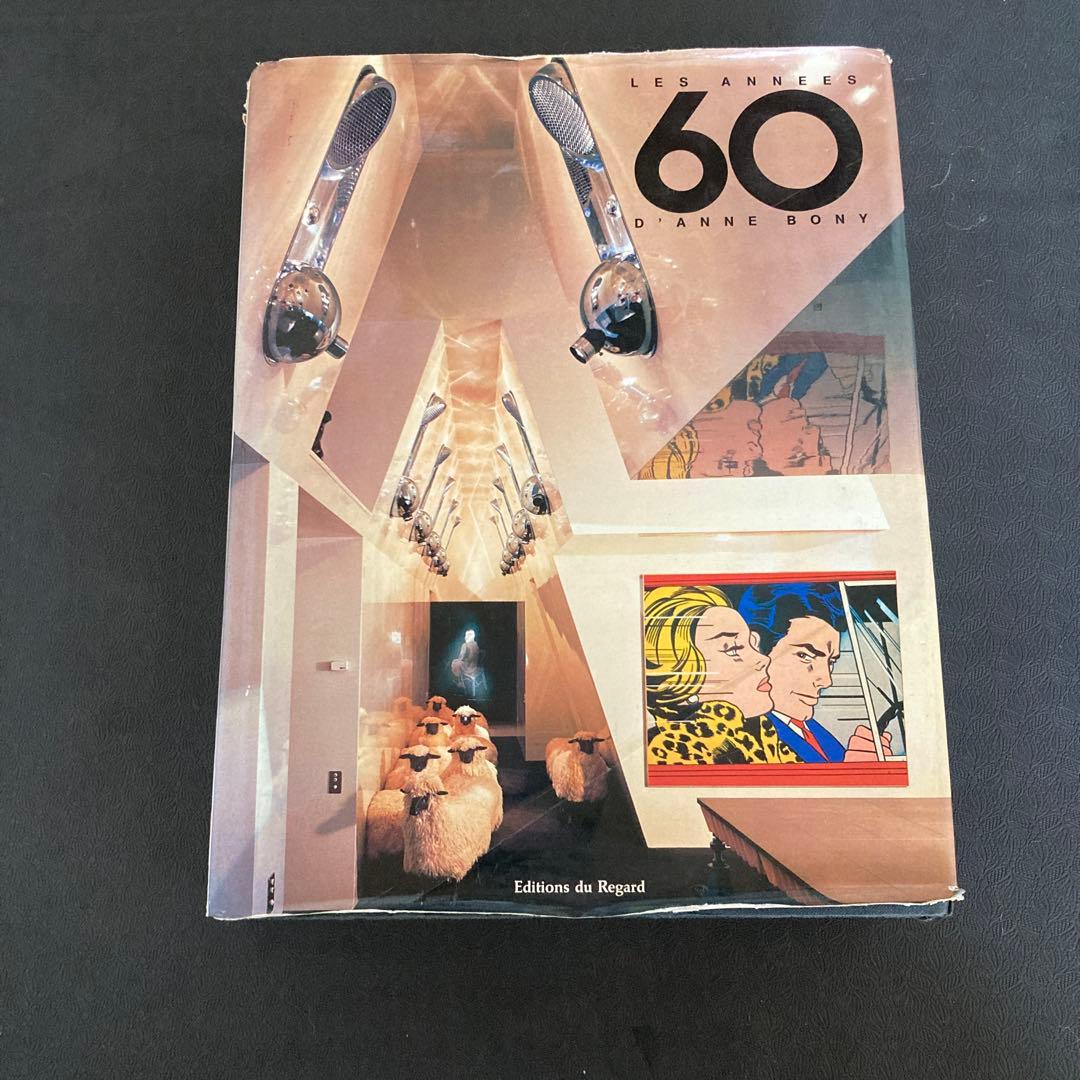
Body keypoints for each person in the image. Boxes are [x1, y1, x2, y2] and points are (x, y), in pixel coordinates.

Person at [643, 584, 800, 765]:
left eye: (753, 644)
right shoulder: (675, 750)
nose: (763, 659)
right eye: (733, 649)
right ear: (677, 680)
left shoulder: (764, 734)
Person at [736, 583, 892, 763]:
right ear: (755, 647)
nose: (826, 680)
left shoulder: (813, 730)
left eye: (831, 661)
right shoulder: (741, 738)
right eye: (805, 656)